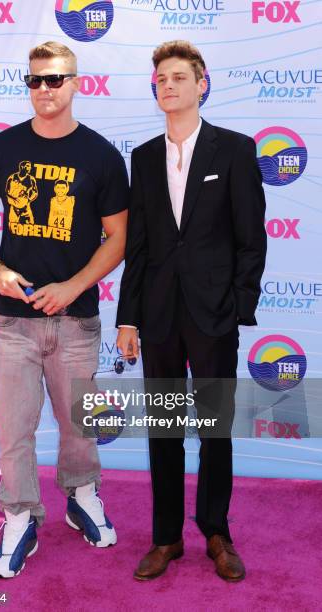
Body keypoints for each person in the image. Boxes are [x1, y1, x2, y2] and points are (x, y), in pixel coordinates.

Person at [0, 41, 129, 578]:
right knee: (14, 431)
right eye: (35, 80)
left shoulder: (101, 155)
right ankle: (19, 516)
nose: (45, 89)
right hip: (12, 326)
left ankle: (81, 496)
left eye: (55, 79)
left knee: (80, 426)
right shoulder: (1, 149)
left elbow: (118, 237)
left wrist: (73, 283)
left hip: (77, 320)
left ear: (76, 82)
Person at [116, 40, 267, 582]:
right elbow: (139, 248)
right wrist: (127, 319)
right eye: (161, 79)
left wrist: (237, 309)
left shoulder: (235, 150)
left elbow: (252, 239)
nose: (169, 86)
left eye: (179, 77)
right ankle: (165, 539)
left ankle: (216, 531)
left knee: (215, 430)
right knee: (163, 431)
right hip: (157, 317)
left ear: (202, 84)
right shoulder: (144, 157)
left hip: (213, 317)